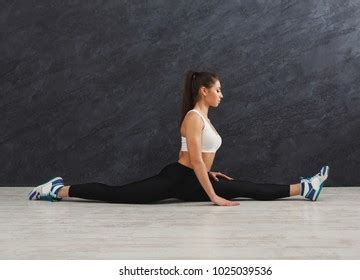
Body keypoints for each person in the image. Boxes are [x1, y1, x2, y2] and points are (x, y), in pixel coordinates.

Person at [28, 71, 330, 206]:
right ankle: (57, 189)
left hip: (193, 178)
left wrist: (210, 176)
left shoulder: (205, 119)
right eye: (218, 90)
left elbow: (200, 159)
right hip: (176, 179)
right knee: (117, 194)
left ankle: (304, 188)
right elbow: (194, 158)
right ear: (204, 91)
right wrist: (212, 195)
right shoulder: (193, 118)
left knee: (242, 186)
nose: (221, 94)